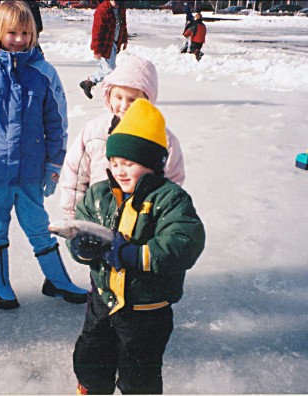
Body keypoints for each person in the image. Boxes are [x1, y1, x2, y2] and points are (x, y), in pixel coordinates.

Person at [0, 0, 88, 310]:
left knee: (39, 227)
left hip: (30, 172)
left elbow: (57, 123)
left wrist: (54, 164)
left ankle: (57, 281)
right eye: (12, 32)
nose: (19, 39)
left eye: (26, 33)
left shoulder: (43, 72)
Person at [67, 98, 206, 394]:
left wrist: (137, 254)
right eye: (114, 163)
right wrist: (81, 247)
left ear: (152, 164)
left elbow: (184, 242)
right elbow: (82, 221)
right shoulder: (99, 194)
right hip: (103, 300)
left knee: (139, 376)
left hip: (146, 311)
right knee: (91, 358)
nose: (119, 171)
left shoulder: (170, 200)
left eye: (128, 164)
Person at [60, 54, 185, 220]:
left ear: (147, 100)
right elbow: (75, 173)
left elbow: (172, 181)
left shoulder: (162, 139)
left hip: (140, 222)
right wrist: (74, 214)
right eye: (118, 97)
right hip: (96, 216)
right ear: (108, 96)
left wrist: (159, 216)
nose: (124, 106)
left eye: (132, 100)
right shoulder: (95, 132)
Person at [79, 0, 128, 99]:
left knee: (106, 69)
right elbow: (96, 31)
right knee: (110, 71)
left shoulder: (120, 8)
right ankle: (113, 95)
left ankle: (88, 82)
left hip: (114, 43)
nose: (117, 4)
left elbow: (123, 25)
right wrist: (96, 49)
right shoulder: (102, 10)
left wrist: (124, 39)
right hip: (105, 45)